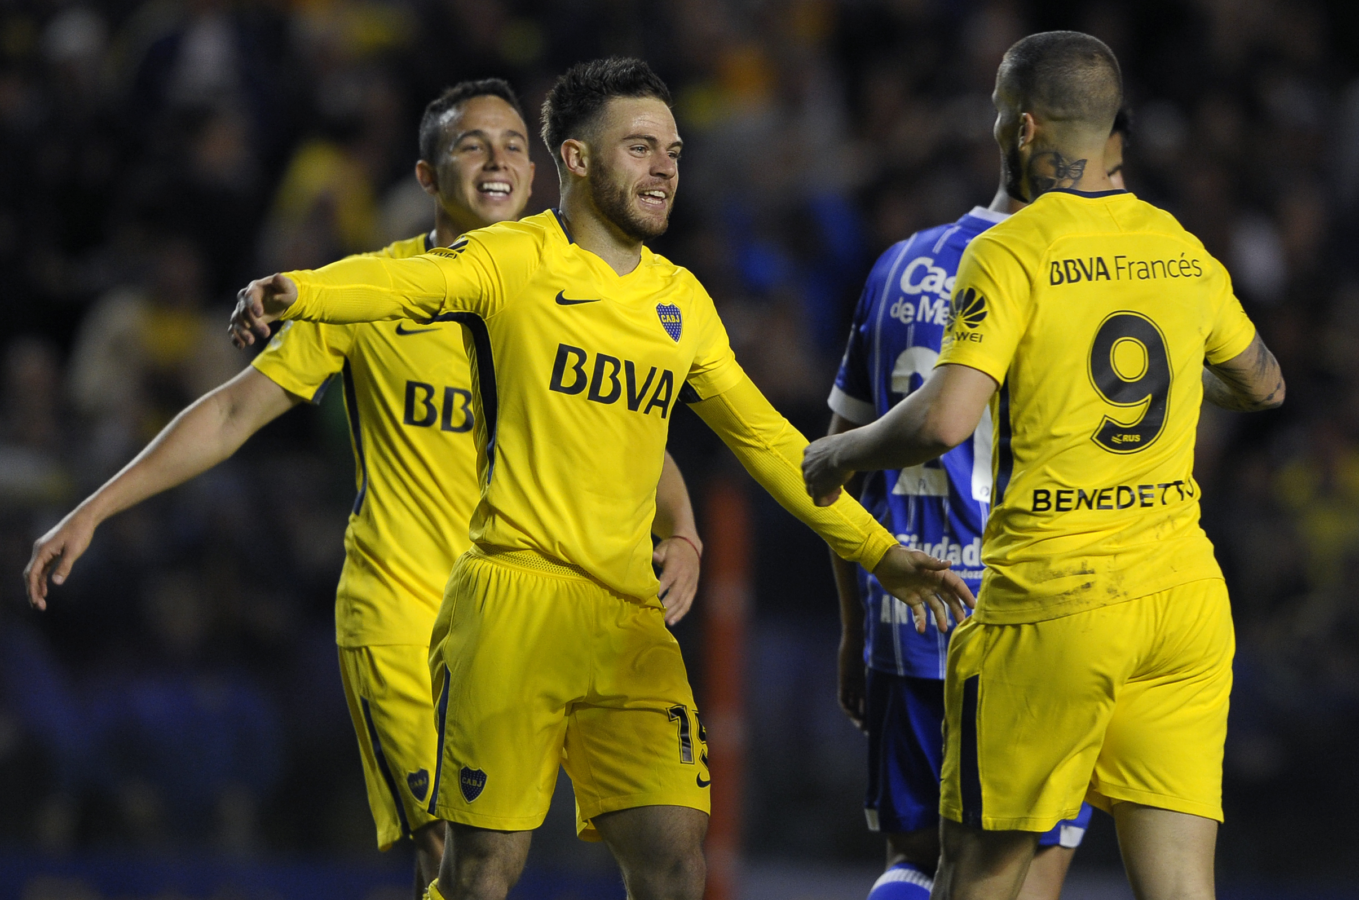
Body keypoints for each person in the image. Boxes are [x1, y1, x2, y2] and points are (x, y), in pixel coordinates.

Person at [227, 57, 975, 900]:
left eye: (674, 150)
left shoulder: (680, 301)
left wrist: (880, 555)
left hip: (627, 624)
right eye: (641, 148)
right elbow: (405, 279)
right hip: (513, 608)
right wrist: (301, 291)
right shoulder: (511, 260)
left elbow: (768, 442)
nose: (665, 169)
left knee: (672, 862)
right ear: (577, 160)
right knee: (479, 872)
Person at [24, 78, 704, 899]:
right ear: (426, 178)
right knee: (456, 847)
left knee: (657, 850)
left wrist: (685, 531)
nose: (498, 159)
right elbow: (235, 408)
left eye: (514, 144)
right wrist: (94, 508)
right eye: (471, 144)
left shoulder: (567, 293)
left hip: (535, 618)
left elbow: (629, 433)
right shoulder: (368, 291)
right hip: (402, 612)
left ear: (537, 174)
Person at [803, 32, 1283, 900]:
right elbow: (1263, 384)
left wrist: (839, 451)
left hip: (1052, 603)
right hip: (1181, 602)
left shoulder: (1013, 247)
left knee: (977, 876)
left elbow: (945, 418)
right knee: (1181, 888)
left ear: (1021, 128)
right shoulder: (1177, 245)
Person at [825, 151, 1120, 900]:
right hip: (1036, 618)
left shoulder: (896, 266)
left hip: (907, 616)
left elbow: (838, 469)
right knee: (1015, 879)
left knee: (914, 862)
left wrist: (852, 628)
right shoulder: (1084, 273)